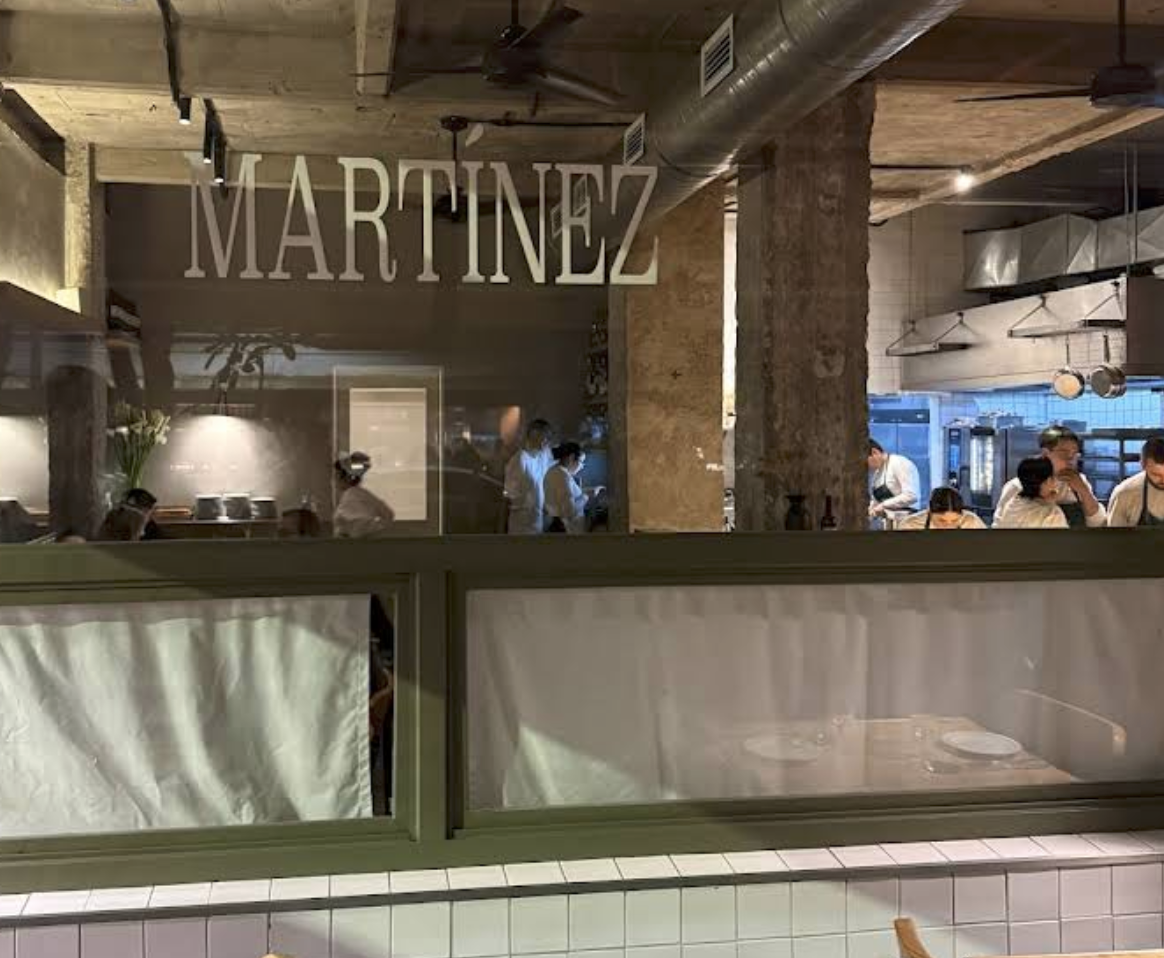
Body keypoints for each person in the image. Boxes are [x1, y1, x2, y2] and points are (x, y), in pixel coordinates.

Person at [994, 425, 1105, 529]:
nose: (1070, 459)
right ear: (1045, 453)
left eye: (1075, 453)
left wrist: (1084, 491)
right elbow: (1000, 528)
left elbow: (1099, 523)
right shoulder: (1018, 486)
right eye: (1064, 453)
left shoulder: (1080, 482)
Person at [504, 419, 553, 535]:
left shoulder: (542, 457)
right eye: (543, 437)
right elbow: (511, 494)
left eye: (548, 438)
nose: (546, 441)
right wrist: (530, 502)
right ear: (532, 436)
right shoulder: (519, 460)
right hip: (522, 526)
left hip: (537, 523)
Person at [333, 451, 395, 538]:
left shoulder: (349, 497)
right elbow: (388, 514)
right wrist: (376, 528)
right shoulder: (366, 495)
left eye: (336, 476)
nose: (334, 481)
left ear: (345, 478)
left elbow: (344, 524)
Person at [994, 457, 1068, 529]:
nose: (1055, 484)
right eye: (1053, 478)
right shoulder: (1052, 513)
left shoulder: (1012, 505)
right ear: (1048, 481)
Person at [1107, 437, 1164, 528]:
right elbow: (1115, 535)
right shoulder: (1125, 493)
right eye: (1156, 474)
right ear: (1143, 465)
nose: (1163, 479)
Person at [543, 442, 593, 534]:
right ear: (571, 458)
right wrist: (587, 496)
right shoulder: (562, 475)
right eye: (581, 462)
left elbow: (566, 496)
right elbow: (569, 512)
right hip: (565, 529)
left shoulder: (556, 471)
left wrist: (583, 493)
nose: (582, 466)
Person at [867, 440, 920, 524]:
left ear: (874, 452)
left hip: (908, 522)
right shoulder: (877, 473)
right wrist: (871, 510)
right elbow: (875, 502)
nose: (868, 467)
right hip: (889, 523)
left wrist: (883, 505)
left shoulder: (898, 462)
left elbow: (911, 495)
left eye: (866, 463)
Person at [897, 487, 987, 530]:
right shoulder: (910, 525)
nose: (948, 527)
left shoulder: (972, 522)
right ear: (929, 511)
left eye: (955, 521)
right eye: (942, 521)